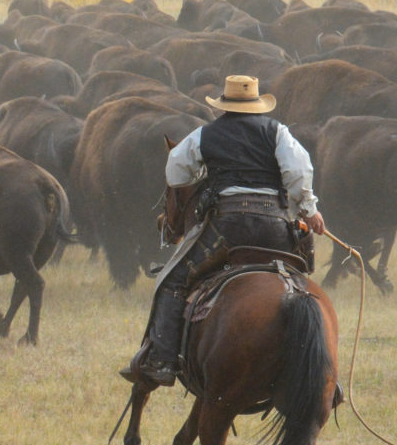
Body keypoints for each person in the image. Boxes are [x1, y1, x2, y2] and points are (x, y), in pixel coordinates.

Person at [123, 74, 324, 388]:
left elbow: (176, 170)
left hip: (226, 228)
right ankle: (322, 366)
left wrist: (204, 170)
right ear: (257, 105)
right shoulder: (278, 132)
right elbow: (298, 170)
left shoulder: (206, 134)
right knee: (300, 282)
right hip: (274, 225)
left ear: (225, 106)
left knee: (171, 281)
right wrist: (309, 210)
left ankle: (161, 359)